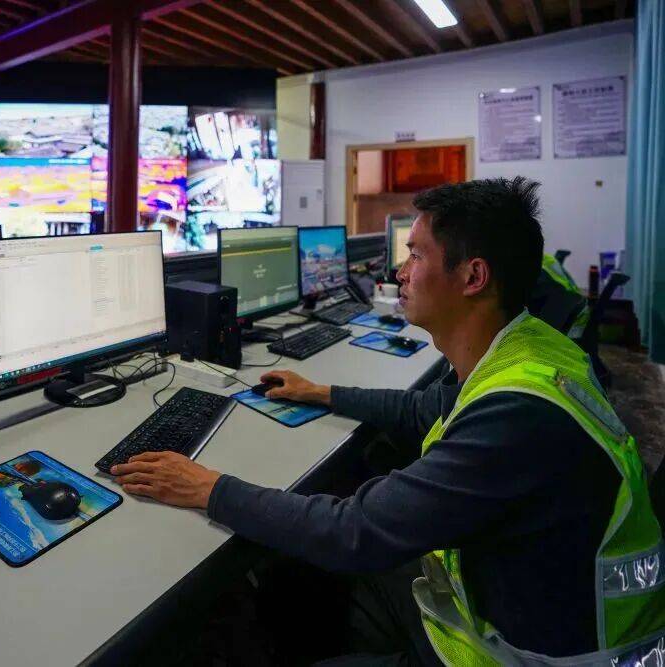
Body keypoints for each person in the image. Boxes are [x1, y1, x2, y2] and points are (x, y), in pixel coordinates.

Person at [111, 177, 665, 665]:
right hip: (511, 594)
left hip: (512, 654)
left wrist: (206, 487)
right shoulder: (527, 348)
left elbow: (355, 532)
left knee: (310, 564)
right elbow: (424, 408)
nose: (399, 271)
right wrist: (322, 392)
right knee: (295, 578)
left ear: (473, 276)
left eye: (416, 255)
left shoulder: (517, 415)